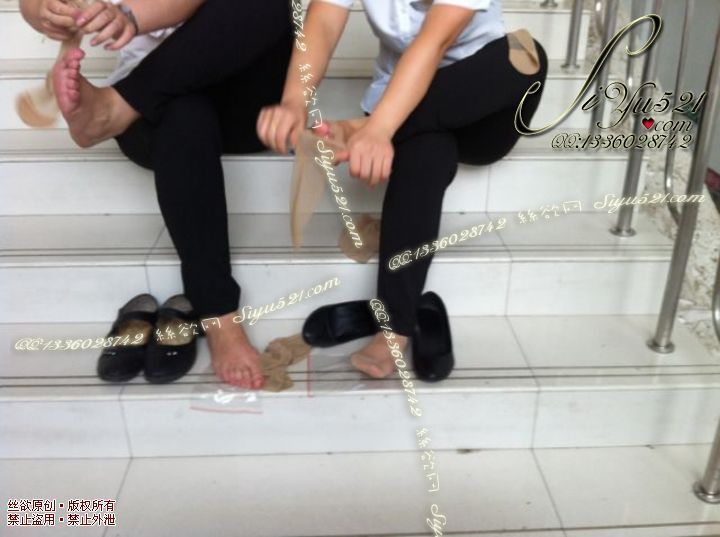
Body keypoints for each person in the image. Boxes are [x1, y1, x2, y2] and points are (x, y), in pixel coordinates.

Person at [257, 0, 548, 378]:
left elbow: (435, 40)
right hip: (400, 107)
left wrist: (376, 128)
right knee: (425, 152)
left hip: (483, 103)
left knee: (524, 53)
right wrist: (295, 99)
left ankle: (357, 129)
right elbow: (324, 20)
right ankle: (394, 328)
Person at [20, 0, 294, 389]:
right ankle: (218, 314)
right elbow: (31, 4)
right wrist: (45, 12)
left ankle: (116, 106)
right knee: (184, 112)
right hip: (161, 113)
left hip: (247, 101)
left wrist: (130, 18)